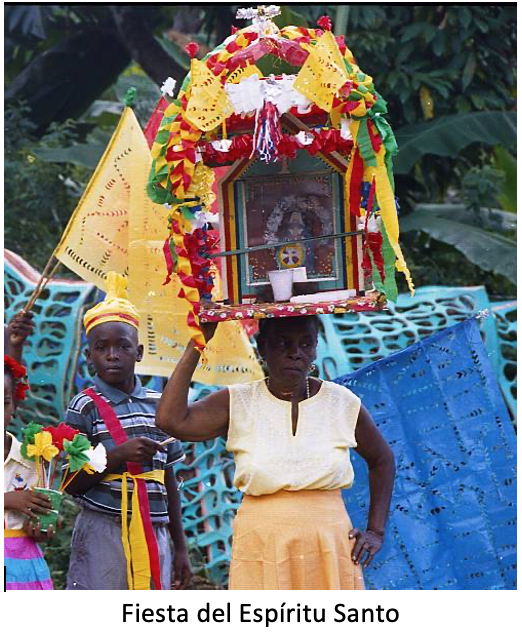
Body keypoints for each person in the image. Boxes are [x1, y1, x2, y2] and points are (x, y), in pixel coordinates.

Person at [156, 315, 395, 590]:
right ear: (262, 346)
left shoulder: (341, 401)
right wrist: (199, 342)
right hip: (262, 542)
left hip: (329, 541)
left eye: (306, 344)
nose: (296, 353)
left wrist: (376, 531)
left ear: (316, 348)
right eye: (284, 344)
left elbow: (382, 459)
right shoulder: (237, 401)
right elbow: (170, 421)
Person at [63, 272, 192, 590]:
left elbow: (169, 481)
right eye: (101, 347)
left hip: (154, 530)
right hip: (104, 529)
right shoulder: (84, 407)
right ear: (88, 356)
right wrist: (116, 456)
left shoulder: (162, 405)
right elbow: (70, 482)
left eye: (122, 346)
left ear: (139, 352)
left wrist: (181, 547)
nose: (111, 355)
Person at [4, 355, 54, 590]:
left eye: (3, 401)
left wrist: (41, 529)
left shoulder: (30, 459)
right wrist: (7, 500)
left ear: (13, 406)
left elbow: (38, 518)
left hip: (22, 568)